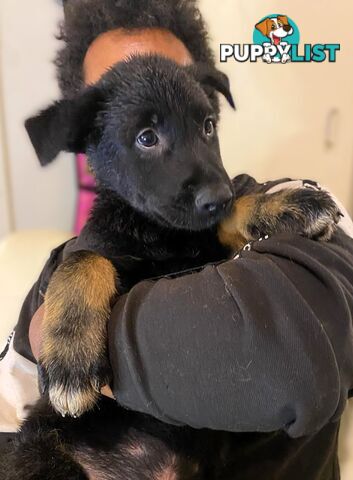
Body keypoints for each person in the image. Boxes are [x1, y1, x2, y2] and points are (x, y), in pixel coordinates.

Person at [1, 2, 353, 479]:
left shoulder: (291, 204)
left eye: (202, 123)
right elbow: (12, 421)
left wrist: (81, 340)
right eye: (147, 135)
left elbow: (305, 356)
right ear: (90, 140)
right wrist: (81, 276)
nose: (210, 182)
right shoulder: (66, 266)